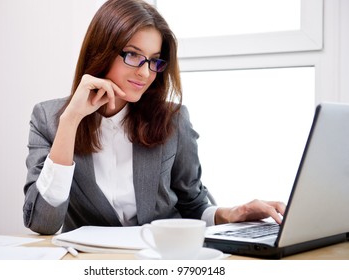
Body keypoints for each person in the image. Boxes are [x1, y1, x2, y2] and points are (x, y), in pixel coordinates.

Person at [23, 0, 286, 235]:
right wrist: (71, 121)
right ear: (100, 51)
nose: (145, 73)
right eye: (133, 55)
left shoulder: (173, 119)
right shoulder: (49, 119)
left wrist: (233, 213)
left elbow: (192, 205)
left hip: (162, 260)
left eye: (154, 61)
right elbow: (43, 223)